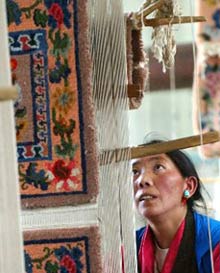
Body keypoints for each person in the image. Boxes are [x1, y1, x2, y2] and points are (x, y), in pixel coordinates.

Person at [132, 138, 220, 273]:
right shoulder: (130, 249)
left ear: (189, 186)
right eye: (135, 171)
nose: (142, 180)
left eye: (158, 167)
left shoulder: (215, 242)